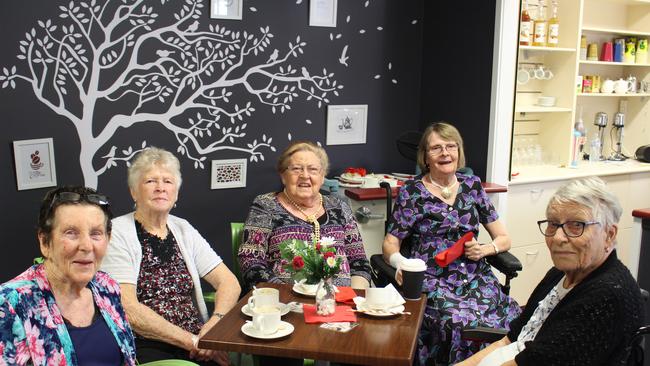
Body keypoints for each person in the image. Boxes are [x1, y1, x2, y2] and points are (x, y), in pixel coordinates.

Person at [457, 177, 644, 366]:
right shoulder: (560, 273)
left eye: (577, 225)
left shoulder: (606, 297)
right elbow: (511, 338)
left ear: (609, 234)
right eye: (554, 224)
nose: (558, 237)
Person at [383, 122, 521, 365]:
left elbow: (504, 238)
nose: (445, 153)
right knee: (457, 323)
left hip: (475, 275)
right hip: (433, 278)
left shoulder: (472, 186)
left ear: (459, 151)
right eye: (436, 148)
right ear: (425, 157)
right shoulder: (412, 192)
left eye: (450, 146)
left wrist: (485, 249)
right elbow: (390, 244)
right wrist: (401, 264)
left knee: (512, 319)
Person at [101, 147, 241, 365]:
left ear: (176, 192)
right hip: (146, 344)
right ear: (133, 192)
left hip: (197, 339)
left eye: (167, 181)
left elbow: (229, 282)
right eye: (150, 182)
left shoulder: (182, 228)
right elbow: (128, 308)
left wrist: (214, 327)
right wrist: (193, 342)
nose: (160, 188)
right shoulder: (116, 233)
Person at [0, 186, 137, 365]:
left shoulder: (107, 286)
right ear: (44, 242)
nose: (87, 246)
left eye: (96, 234)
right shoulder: (10, 303)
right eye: (71, 233)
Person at [238, 141, 372, 292]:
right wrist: (285, 296)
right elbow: (250, 261)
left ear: (322, 177)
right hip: (285, 303)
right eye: (296, 169)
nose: (305, 176)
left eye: (313, 169)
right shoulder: (266, 206)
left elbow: (359, 262)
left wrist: (352, 297)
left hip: (340, 302)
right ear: (283, 175)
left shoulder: (340, 207)